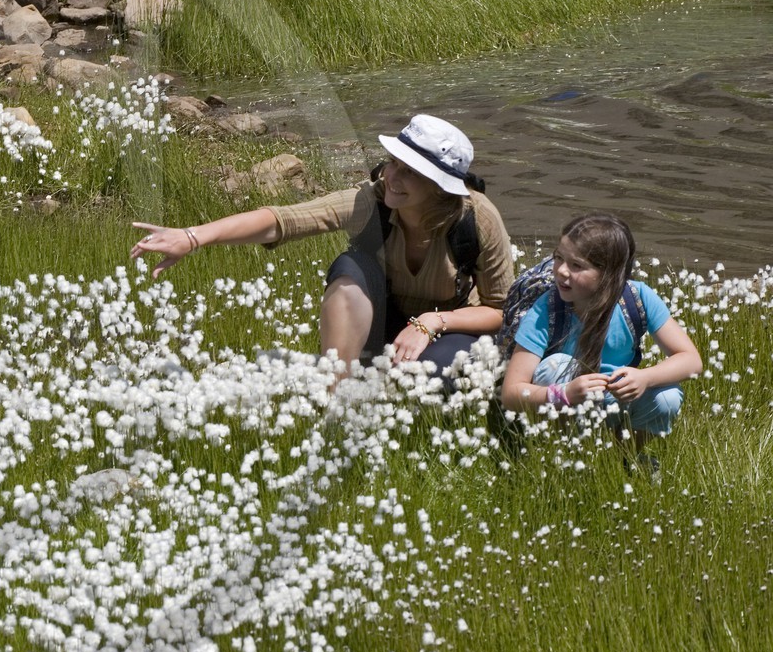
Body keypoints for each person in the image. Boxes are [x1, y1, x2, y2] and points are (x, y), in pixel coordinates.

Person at [131, 114, 513, 372]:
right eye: (394, 163)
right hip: (384, 324)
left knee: (427, 379)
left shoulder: (477, 219)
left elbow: (499, 309)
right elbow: (280, 221)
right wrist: (192, 237)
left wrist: (433, 322)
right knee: (349, 268)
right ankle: (336, 393)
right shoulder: (372, 201)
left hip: (452, 329)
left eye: (411, 173)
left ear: (439, 187)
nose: (393, 177)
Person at [500, 213, 701, 457]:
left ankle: (621, 458)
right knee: (558, 365)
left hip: (618, 399)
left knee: (667, 396)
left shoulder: (637, 298)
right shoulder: (547, 309)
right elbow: (511, 393)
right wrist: (564, 393)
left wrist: (646, 378)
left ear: (608, 274)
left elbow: (691, 360)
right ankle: (569, 457)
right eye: (558, 258)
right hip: (565, 403)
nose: (561, 271)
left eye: (577, 265)